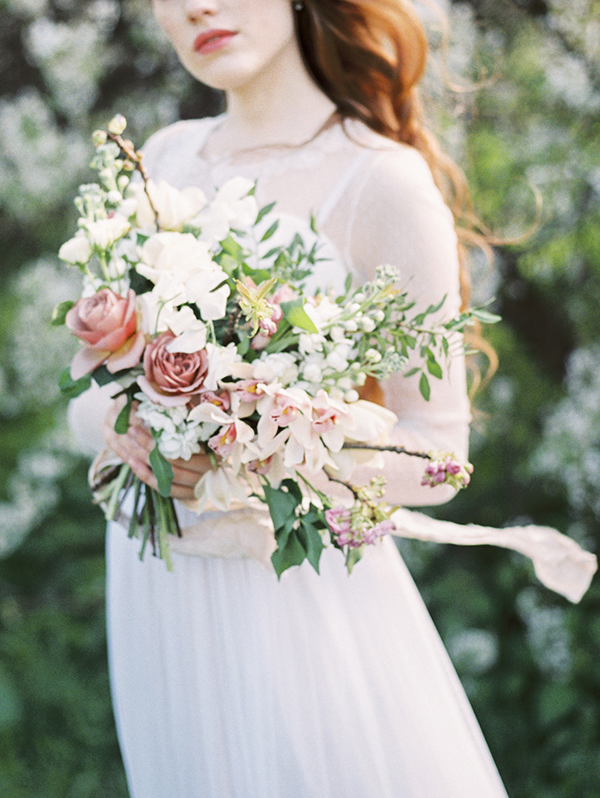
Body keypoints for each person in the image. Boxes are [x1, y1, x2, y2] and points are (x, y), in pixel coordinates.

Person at [70, 0, 512, 795]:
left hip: (304, 606)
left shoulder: (380, 179)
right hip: (164, 600)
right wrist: (130, 422)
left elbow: (443, 460)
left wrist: (261, 449)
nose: (194, 7)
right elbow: (83, 393)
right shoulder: (159, 162)